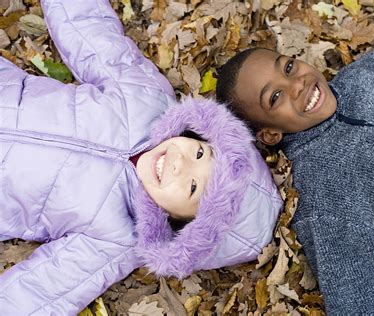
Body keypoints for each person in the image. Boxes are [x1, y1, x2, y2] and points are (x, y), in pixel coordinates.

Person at [0, 1, 282, 315]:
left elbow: (41, 290)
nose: (180, 163)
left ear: (180, 223)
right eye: (201, 152)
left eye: (192, 188)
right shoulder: (144, 97)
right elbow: (92, 37)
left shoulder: (116, 239)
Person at [216, 0, 374, 314]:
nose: (297, 84)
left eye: (288, 67)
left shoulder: (371, 75)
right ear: (270, 134)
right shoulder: (320, 196)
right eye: (275, 97)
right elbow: (357, 297)